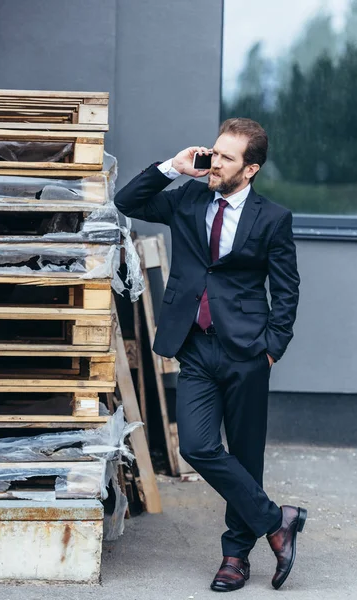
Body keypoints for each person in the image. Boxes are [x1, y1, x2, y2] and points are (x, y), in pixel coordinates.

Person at [115, 118, 306, 592]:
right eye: (214, 152)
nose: (214, 162)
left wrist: (272, 350)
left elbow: (286, 290)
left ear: (251, 169)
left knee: (245, 454)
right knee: (197, 446)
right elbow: (127, 202)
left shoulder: (272, 218)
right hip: (195, 344)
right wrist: (172, 167)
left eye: (226, 157)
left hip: (247, 351)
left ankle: (235, 557)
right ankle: (276, 520)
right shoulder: (188, 195)